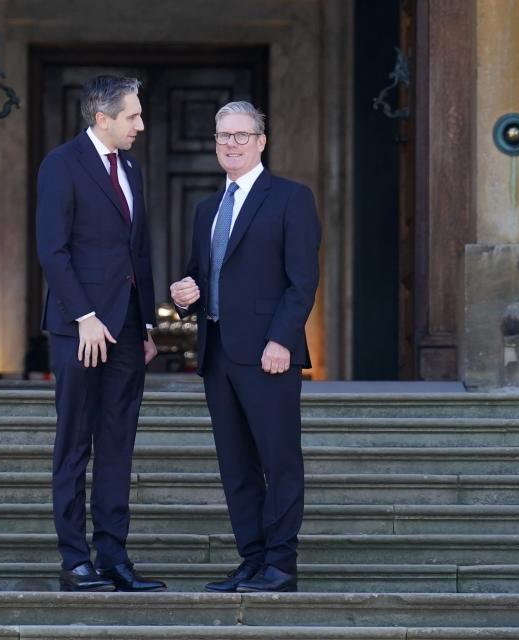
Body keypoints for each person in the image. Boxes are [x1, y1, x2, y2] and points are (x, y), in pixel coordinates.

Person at [170, 101, 321, 593]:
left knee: (278, 460)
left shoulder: (290, 199)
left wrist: (282, 339)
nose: (230, 144)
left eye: (240, 135)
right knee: (236, 466)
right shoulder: (207, 208)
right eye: (222, 136)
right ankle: (252, 559)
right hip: (217, 355)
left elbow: (302, 281)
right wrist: (185, 293)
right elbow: (199, 271)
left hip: (268, 355)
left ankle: (281, 563)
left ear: (261, 141)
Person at [36, 75, 165, 593]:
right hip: (80, 329)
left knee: (117, 445)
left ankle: (113, 557)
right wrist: (84, 315)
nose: (141, 124)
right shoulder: (61, 164)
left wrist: (148, 324)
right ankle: (76, 561)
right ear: (102, 118)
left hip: (128, 329)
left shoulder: (131, 166)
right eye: (133, 115)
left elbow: (139, 249)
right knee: (75, 444)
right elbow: (53, 249)